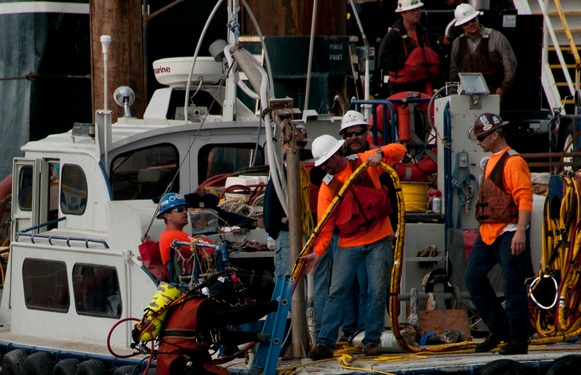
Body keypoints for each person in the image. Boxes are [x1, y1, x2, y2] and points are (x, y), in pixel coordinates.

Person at [302, 134, 406, 359]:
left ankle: (371, 342)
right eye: (323, 163)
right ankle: (325, 343)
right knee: (336, 292)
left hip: (379, 241)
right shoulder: (326, 189)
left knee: (377, 291)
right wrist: (317, 253)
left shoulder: (365, 162)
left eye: (328, 160)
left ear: (338, 153)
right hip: (348, 245)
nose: (326, 166)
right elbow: (325, 228)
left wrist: (380, 154)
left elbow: (400, 150)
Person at [465, 113, 533, 355]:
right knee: (472, 278)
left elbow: (525, 197)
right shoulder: (490, 161)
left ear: (495, 134)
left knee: (513, 286)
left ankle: (517, 340)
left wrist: (521, 233)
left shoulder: (513, 162)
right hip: (488, 232)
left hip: (509, 231)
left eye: (482, 136)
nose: (479, 141)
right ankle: (501, 328)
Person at [155, 270, 279, 375]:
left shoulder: (192, 304)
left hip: (168, 363)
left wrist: (254, 336)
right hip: (179, 364)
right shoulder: (205, 307)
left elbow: (224, 338)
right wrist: (273, 305)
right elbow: (239, 315)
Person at [264, 123, 313, 277]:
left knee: (287, 287)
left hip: (288, 235)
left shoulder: (283, 170)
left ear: (286, 144)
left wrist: (275, 232)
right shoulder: (320, 166)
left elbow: (270, 210)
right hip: (317, 235)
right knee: (317, 287)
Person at [449, 3, 517, 100]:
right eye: (466, 23)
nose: (470, 24)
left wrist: (503, 89)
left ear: (477, 18)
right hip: (465, 96)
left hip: (491, 94)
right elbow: (453, 70)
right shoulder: (457, 43)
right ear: (461, 26)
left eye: (472, 20)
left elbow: (510, 63)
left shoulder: (496, 37)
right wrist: (453, 92)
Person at [378, 0, 443, 96]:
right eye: (412, 10)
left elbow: (439, 56)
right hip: (401, 88)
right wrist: (407, 59)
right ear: (402, 13)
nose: (417, 13)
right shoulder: (394, 35)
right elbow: (383, 60)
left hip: (424, 86)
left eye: (418, 9)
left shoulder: (423, 33)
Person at [157, 192, 213, 279]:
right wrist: (203, 240)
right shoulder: (171, 235)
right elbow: (210, 249)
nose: (185, 212)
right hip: (186, 285)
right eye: (180, 210)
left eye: (185, 209)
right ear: (167, 216)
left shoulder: (175, 234)